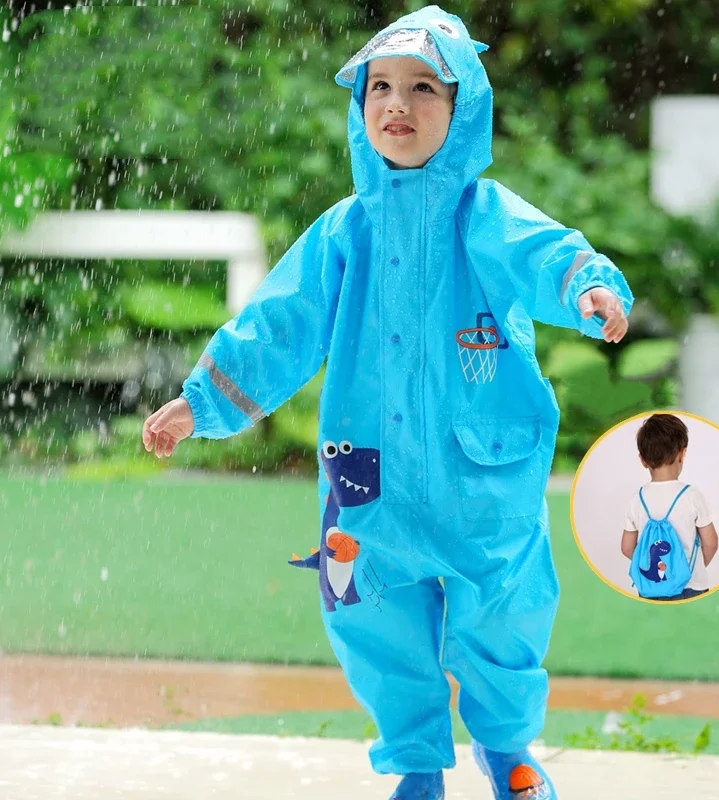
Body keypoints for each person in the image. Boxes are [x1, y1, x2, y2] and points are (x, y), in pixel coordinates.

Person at [142, 7, 633, 799]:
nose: (397, 104)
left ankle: (507, 750)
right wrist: (200, 403)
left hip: (481, 475)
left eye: (423, 88)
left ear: (463, 106)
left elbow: (551, 255)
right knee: (371, 617)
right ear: (360, 105)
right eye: (380, 88)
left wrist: (592, 291)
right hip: (367, 471)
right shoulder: (346, 232)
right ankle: (415, 764)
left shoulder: (487, 217)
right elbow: (279, 325)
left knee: (503, 614)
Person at [621, 414, 719, 601]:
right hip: (691, 587)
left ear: (642, 460)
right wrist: (692, 568)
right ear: (682, 454)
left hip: (650, 589)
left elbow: (627, 548)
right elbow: (711, 543)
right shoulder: (692, 495)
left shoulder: (637, 499)